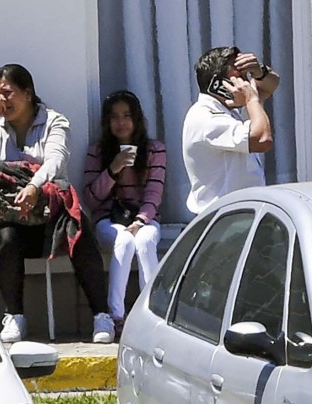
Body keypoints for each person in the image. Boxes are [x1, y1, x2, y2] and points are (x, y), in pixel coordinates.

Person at [0, 63, 115, 344]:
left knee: (80, 231)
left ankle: (102, 314)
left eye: (8, 92)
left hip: (49, 208)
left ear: (27, 94)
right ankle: (14, 315)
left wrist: (33, 186)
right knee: (5, 238)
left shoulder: (55, 121)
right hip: (12, 211)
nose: (2, 100)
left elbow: (55, 159)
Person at [83, 90, 166, 335]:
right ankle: (116, 316)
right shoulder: (97, 151)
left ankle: (152, 314)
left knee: (145, 239)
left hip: (144, 218)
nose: (121, 123)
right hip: (108, 219)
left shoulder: (154, 150)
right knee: (124, 240)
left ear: (137, 119)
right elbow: (90, 199)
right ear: (107, 123)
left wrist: (141, 220)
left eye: (127, 116)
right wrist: (114, 168)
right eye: (114, 117)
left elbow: (154, 193)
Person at [182, 46, 279, 214]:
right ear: (218, 85)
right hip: (222, 216)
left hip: (240, 213)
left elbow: (271, 85)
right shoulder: (205, 118)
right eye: (239, 76)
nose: (246, 83)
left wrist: (259, 71)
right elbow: (262, 140)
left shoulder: (230, 105)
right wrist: (251, 99)